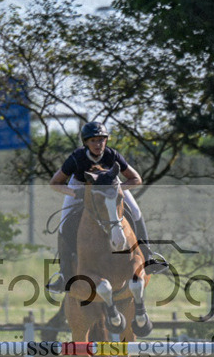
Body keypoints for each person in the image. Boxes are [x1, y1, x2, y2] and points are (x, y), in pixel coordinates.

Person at [46, 121, 169, 294]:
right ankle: (64, 275)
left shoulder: (112, 155)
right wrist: (77, 193)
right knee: (64, 224)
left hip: (111, 186)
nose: (98, 144)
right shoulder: (77, 157)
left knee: (135, 212)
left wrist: (116, 189)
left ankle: (148, 258)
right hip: (80, 187)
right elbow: (54, 183)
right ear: (86, 143)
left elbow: (136, 179)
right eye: (94, 141)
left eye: (102, 140)